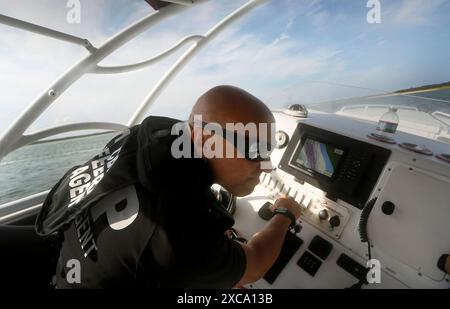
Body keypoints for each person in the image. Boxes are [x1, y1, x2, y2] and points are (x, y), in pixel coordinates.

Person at [35, 85, 302, 288]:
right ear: (204, 138)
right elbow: (254, 262)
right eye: (256, 149)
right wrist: (285, 214)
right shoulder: (179, 230)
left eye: (269, 150)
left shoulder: (144, 142)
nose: (266, 165)